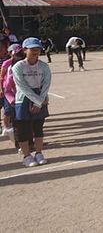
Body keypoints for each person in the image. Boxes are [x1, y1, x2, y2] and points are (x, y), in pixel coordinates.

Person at [12, 37, 51, 167]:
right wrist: (36, 101)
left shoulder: (44, 66)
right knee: (24, 129)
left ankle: (39, 153)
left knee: (38, 127)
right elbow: (22, 86)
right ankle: (26, 155)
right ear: (24, 50)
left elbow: (46, 84)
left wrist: (39, 101)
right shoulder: (18, 66)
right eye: (32, 49)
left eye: (38, 49)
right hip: (23, 99)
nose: (35, 52)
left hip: (40, 97)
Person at [1, 44, 23, 143]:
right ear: (10, 53)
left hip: (21, 93)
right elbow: (2, 77)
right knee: (8, 111)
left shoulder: (24, 63)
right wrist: (1, 89)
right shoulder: (7, 64)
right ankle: (6, 128)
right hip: (9, 91)